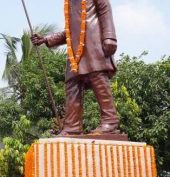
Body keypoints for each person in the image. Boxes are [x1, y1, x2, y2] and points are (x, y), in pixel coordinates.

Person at [31, 0, 119, 135]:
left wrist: (110, 37)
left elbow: (105, 10)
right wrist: (46, 39)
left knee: (98, 79)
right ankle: (72, 126)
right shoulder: (70, 3)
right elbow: (71, 31)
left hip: (93, 44)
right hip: (75, 52)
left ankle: (110, 121)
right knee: (72, 85)